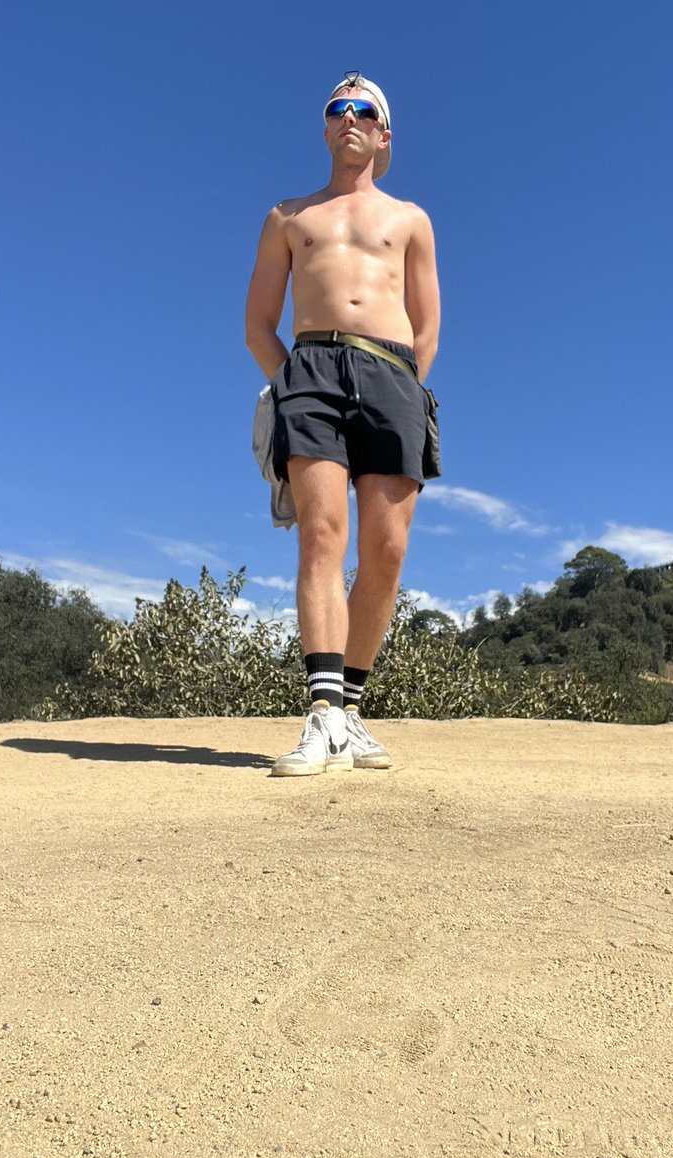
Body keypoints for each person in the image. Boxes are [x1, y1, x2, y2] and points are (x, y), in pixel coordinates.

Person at [245, 72, 440, 777]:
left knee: (386, 551)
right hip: (311, 370)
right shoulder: (288, 217)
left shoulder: (411, 220)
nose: (349, 118)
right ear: (325, 127)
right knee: (322, 536)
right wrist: (291, 383)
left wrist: (407, 387)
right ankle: (323, 712)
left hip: (391, 374)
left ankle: (350, 712)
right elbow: (258, 323)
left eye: (363, 111)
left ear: (384, 134)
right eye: (337, 109)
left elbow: (427, 325)